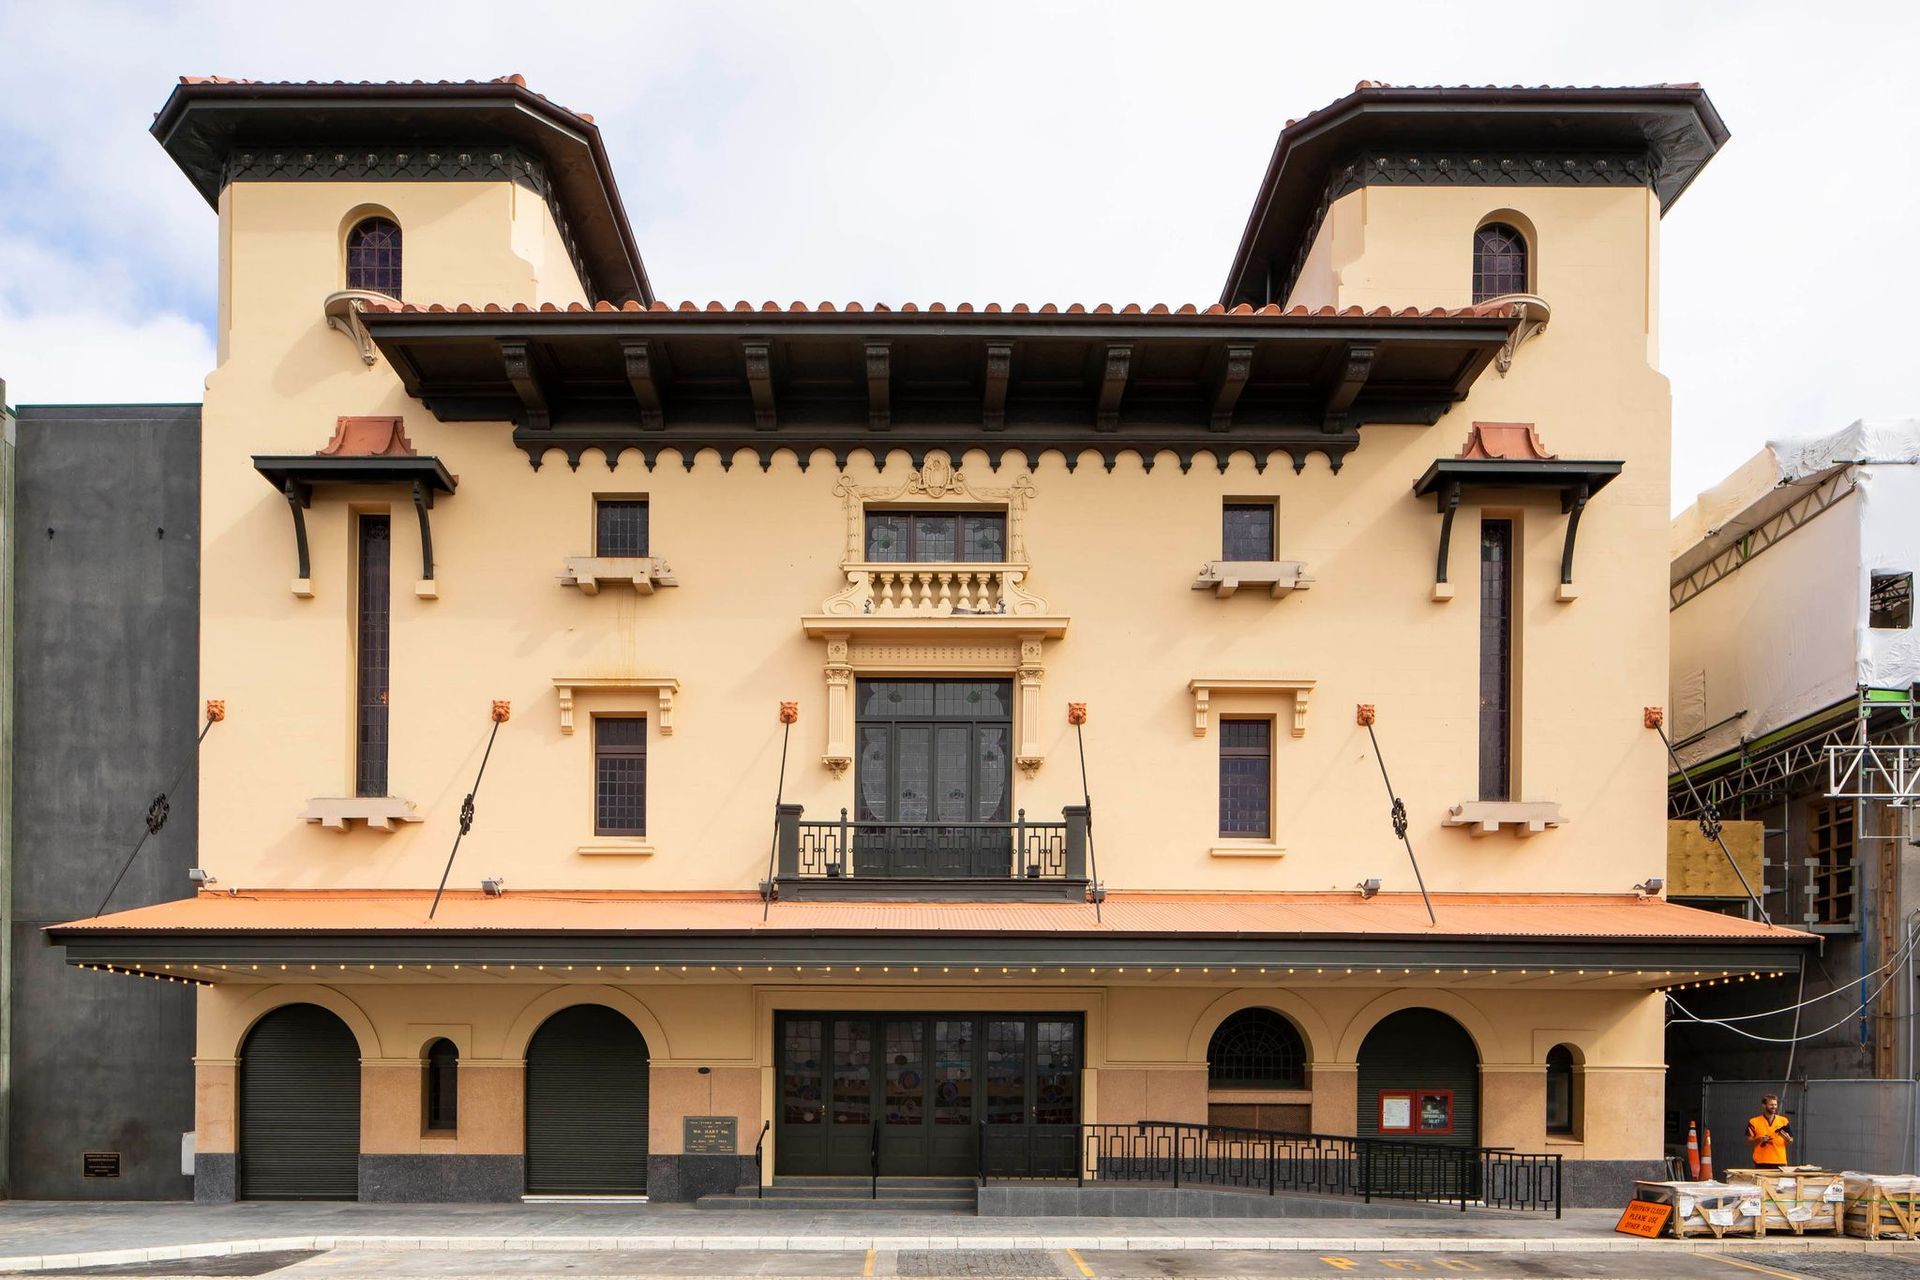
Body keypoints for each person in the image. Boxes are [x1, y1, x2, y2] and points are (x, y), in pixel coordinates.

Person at [1747, 1093, 1792, 1168]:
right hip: (1761, 1161)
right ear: (1764, 1105)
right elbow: (1749, 1141)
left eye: (1775, 1104)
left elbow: (1791, 1140)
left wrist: (1788, 1139)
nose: (1774, 1107)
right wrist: (1760, 1139)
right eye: (1771, 1105)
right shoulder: (1753, 1121)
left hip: (1780, 1161)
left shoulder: (1784, 1121)